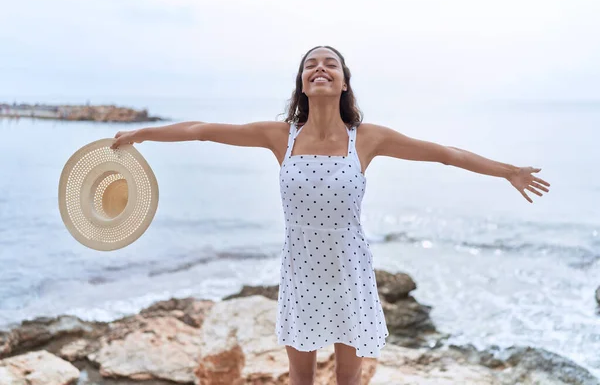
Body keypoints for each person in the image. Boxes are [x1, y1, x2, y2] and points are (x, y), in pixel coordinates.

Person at [111, 45, 550, 385]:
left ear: (343, 83)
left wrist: (507, 171)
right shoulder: (279, 136)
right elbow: (201, 131)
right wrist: (142, 134)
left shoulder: (368, 138)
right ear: (302, 84)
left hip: (348, 269)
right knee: (300, 379)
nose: (319, 68)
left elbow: (445, 155)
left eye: (330, 65)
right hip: (301, 270)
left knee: (348, 379)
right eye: (310, 65)